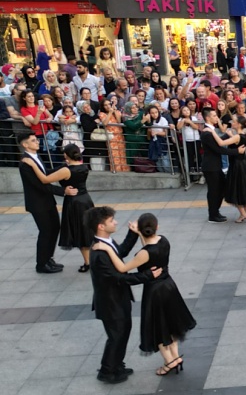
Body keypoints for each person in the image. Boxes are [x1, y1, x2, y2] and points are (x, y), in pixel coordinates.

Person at [94, 212, 196, 376]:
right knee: (170, 325)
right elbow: (149, 248)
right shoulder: (164, 241)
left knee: (158, 327)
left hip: (154, 292)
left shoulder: (142, 254)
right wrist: (141, 233)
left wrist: (107, 249)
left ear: (141, 229)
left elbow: (122, 268)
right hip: (169, 287)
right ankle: (176, 357)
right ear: (157, 227)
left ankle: (169, 362)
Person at [85, 206, 162, 384]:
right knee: (116, 335)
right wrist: (147, 276)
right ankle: (107, 371)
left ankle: (116, 365)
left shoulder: (106, 243)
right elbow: (118, 278)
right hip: (111, 303)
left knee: (122, 332)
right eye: (111, 221)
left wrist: (133, 233)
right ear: (100, 226)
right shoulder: (99, 253)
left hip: (117, 299)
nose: (116, 222)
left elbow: (121, 253)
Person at [22, 144, 94, 272]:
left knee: (79, 232)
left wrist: (33, 165)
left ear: (66, 155)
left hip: (74, 202)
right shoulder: (83, 166)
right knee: (86, 231)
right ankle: (89, 262)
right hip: (85, 199)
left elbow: (45, 179)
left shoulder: (66, 170)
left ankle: (88, 263)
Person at [17, 132, 78, 273]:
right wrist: (63, 191)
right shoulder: (25, 163)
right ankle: (41, 264)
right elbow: (40, 184)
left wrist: (63, 167)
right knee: (45, 232)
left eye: (36, 140)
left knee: (55, 228)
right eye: (33, 140)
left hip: (47, 201)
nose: (37, 142)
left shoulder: (35, 157)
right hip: (38, 203)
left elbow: (46, 173)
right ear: (25, 144)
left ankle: (48, 258)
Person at [200, 108, 244, 223]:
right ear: (208, 118)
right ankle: (213, 214)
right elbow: (218, 149)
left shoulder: (210, 131)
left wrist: (227, 136)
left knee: (219, 189)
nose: (217, 118)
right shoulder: (207, 133)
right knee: (214, 191)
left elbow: (218, 142)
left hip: (215, 165)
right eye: (214, 116)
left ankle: (215, 212)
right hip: (211, 167)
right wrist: (236, 152)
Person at [224, 116, 246, 223]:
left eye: (234, 122)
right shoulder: (242, 135)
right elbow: (235, 141)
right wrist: (231, 135)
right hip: (241, 164)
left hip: (236, 165)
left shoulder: (237, 137)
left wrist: (213, 133)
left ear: (238, 124)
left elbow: (221, 143)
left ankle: (243, 214)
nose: (232, 123)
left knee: (236, 189)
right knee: (242, 187)